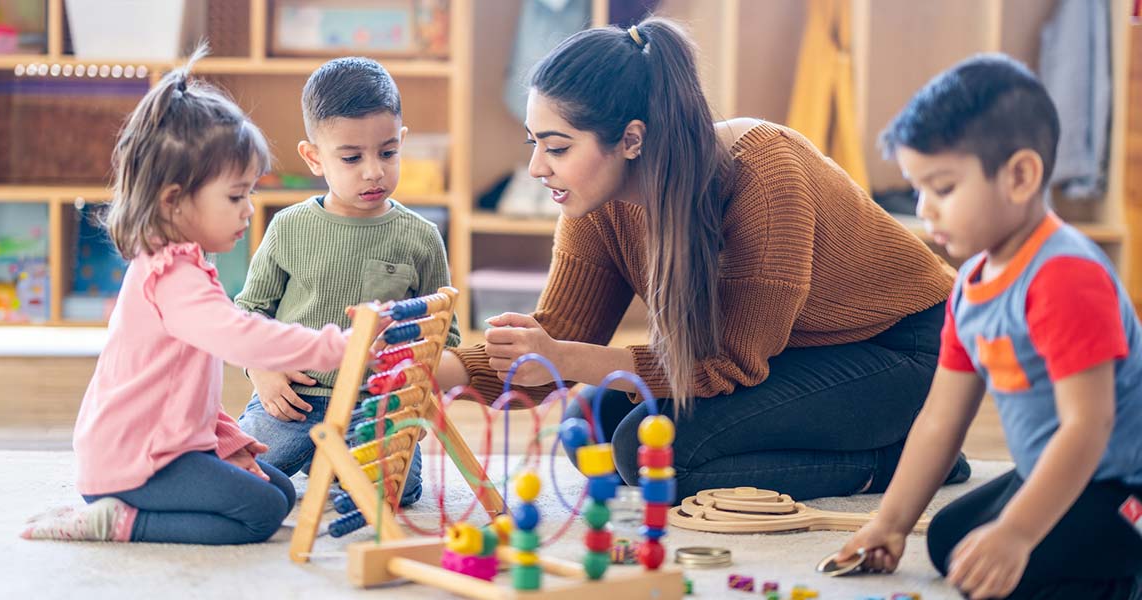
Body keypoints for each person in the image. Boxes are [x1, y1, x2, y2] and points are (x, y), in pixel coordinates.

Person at [435, 18, 967, 501]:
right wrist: (440, 371)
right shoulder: (597, 203)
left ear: (631, 139)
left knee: (656, 459)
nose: (534, 168)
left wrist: (563, 357)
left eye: (557, 148)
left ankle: (901, 461)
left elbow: (726, 363)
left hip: (908, 350)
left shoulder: (764, 177)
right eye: (534, 143)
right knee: (590, 428)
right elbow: (556, 337)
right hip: (795, 350)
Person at [832, 54, 1142, 600]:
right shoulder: (973, 281)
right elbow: (939, 419)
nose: (925, 209)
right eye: (918, 187)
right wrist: (891, 522)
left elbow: (1086, 428)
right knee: (954, 543)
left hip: (1119, 485)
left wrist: (1018, 533)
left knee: (1013, 569)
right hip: (1054, 471)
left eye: (944, 188)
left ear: (1020, 176)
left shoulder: (1065, 276)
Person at [21, 49, 357, 545]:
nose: (248, 211)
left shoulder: (185, 261)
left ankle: (138, 505)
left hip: (166, 446)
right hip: (135, 463)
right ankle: (118, 522)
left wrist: (227, 440)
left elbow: (181, 386)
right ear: (174, 201)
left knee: (282, 492)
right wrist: (338, 347)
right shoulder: (172, 277)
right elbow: (242, 339)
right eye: (235, 196)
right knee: (261, 513)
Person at [235, 57, 457, 507]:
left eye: (388, 152)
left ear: (402, 143)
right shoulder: (288, 227)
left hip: (375, 407)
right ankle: (321, 457)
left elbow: (445, 335)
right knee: (237, 475)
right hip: (293, 399)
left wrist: (406, 384)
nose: (373, 171)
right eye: (352, 157)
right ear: (314, 157)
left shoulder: (422, 237)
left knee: (395, 492)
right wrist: (261, 369)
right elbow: (248, 313)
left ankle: (332, 462)